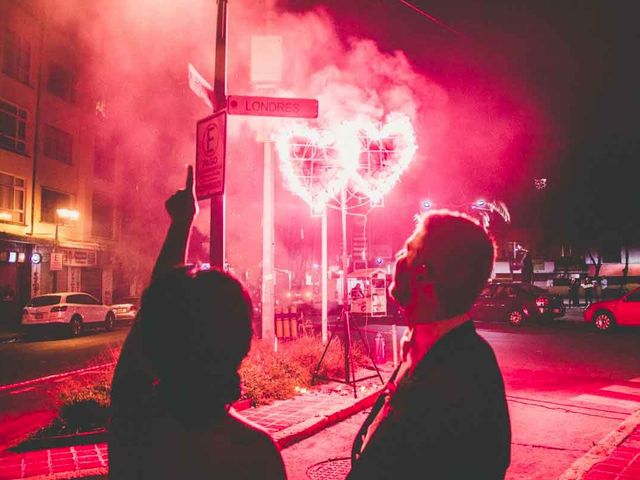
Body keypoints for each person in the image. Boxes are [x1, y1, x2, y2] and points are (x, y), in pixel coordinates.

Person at [108, 166, 287, 480]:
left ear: (155, 343)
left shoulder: (135, 427)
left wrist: (181, 222)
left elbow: (158, 310)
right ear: (242, 343)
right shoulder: (255, 454)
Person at [347, 209, 511, 480]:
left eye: (408, 250)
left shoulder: (465, 373)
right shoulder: (424, 349)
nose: (398, 259)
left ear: (424, 274)